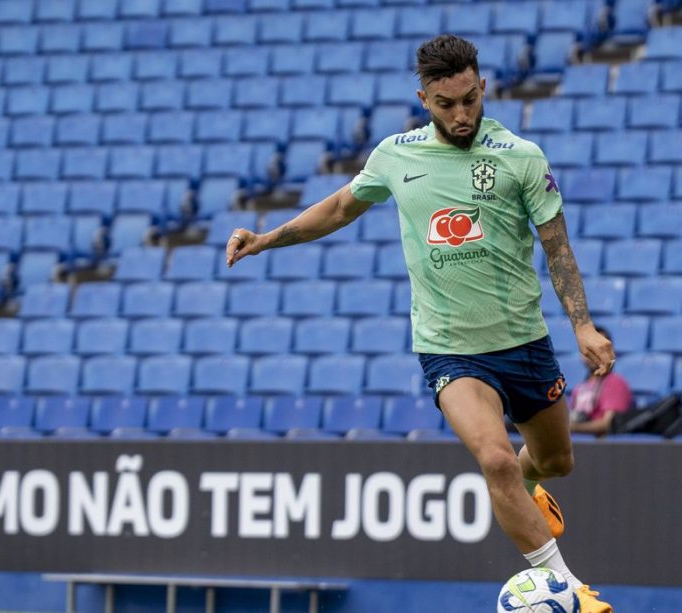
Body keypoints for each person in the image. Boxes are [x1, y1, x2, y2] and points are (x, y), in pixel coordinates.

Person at [225, 35, 615, 612]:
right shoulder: (395, 156)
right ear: (424, 99)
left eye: (468, 100)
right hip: (450, 350)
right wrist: (265, 240)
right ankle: (562, 588)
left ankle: (530, 491)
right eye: (444, 104)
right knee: (495, 459)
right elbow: (337, 208)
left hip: (525, 341)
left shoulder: (522, 157)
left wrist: (582, 325)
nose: (460, 115)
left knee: (554, 461)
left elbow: (556, 247)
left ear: (482, 88)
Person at [569, 326, 633, 436]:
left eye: (599, 349)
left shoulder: (615, 382)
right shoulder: (580, 386)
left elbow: (608, 424)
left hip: (601, 449)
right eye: (588, 349)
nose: (593, 355)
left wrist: (572, 427)